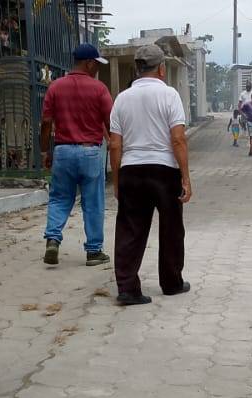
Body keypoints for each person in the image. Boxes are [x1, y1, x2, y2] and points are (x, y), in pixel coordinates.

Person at [108, 43, 192, 306]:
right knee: (171, 229)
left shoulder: (121, 99)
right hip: (164, 171)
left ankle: (127, 289)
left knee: (130, 230)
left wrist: (117, 180)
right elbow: (178, 139)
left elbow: (115, 144)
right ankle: (172, 283)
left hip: (131, 170)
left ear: (137, 68)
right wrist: (186, 178)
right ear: (162, 69)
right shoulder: (170, 95)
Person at [39, 43, 114, 267]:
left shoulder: (55, 87)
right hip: (90, 151)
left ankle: (53, 239)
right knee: (93, 203)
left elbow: (46, 123)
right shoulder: (99, 89)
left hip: (62, 151)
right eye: (97, 64)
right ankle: (94, 251)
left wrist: (45, 151)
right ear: (89, 63)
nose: (98, 69)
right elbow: (111, 122)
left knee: (60, 198)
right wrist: (116, 146)